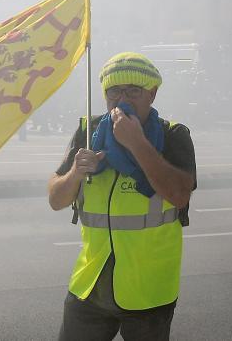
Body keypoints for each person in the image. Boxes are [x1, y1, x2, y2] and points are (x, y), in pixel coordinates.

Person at [48, 52, 197, 341]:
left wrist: (137, 143)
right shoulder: (88, 131)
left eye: (133, 91)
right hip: (89, 284)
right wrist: (75, 173)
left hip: (148, 290)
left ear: (152, 94)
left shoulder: (173, 134)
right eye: (114, 90)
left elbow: (179, 195)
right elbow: (56, 199)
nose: (122, 99)